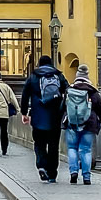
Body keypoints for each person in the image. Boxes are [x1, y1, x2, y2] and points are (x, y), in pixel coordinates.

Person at [21, 55, 69, 183]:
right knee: (54, 146)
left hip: (38, 116)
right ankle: (52, 174)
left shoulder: (33, 76)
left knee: (39, 144)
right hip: (55, 117)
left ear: (39, 64)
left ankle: (41, 165)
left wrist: (24, 113)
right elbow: (68, 91)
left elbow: (25, 95)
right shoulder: (58, 75)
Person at [63, 64, 101, 184]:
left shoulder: (69, 91)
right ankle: (86, 177)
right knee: (85, 150)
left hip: (72, 123)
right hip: (89, 124)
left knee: (72, 148)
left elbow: (63, 107)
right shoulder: (93, 92)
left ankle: (73, 172)